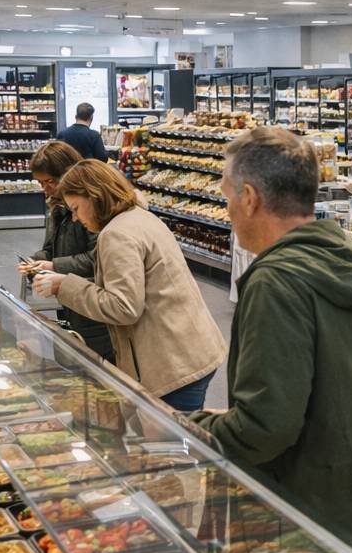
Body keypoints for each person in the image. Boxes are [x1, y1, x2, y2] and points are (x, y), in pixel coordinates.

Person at [190, 126, 352, 553]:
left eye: (227, 197)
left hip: (318, 524)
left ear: (249, 197)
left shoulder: (277, 282)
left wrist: (190, 428)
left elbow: (266, 428)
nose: (226, 211)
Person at [31, 160, 225, 412]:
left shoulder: (117, 234)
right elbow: (133, 286)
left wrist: (65, 287)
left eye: (76, 208)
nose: (76, 218)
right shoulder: (139, 216)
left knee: (173, 446)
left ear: (95, 196)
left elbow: (124, 307)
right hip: (189, 347)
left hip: (171, 363)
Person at [17, 141, 114, 361]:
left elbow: (97, 259)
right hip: (71, 301)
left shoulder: (90, 208)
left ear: (68, 173)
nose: (45, 189)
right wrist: (36, 261)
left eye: (50, 181)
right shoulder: (56, 205)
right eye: (40, 183)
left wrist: (54, 266)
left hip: (95, 309)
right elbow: (51, 247)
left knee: (99, 367)